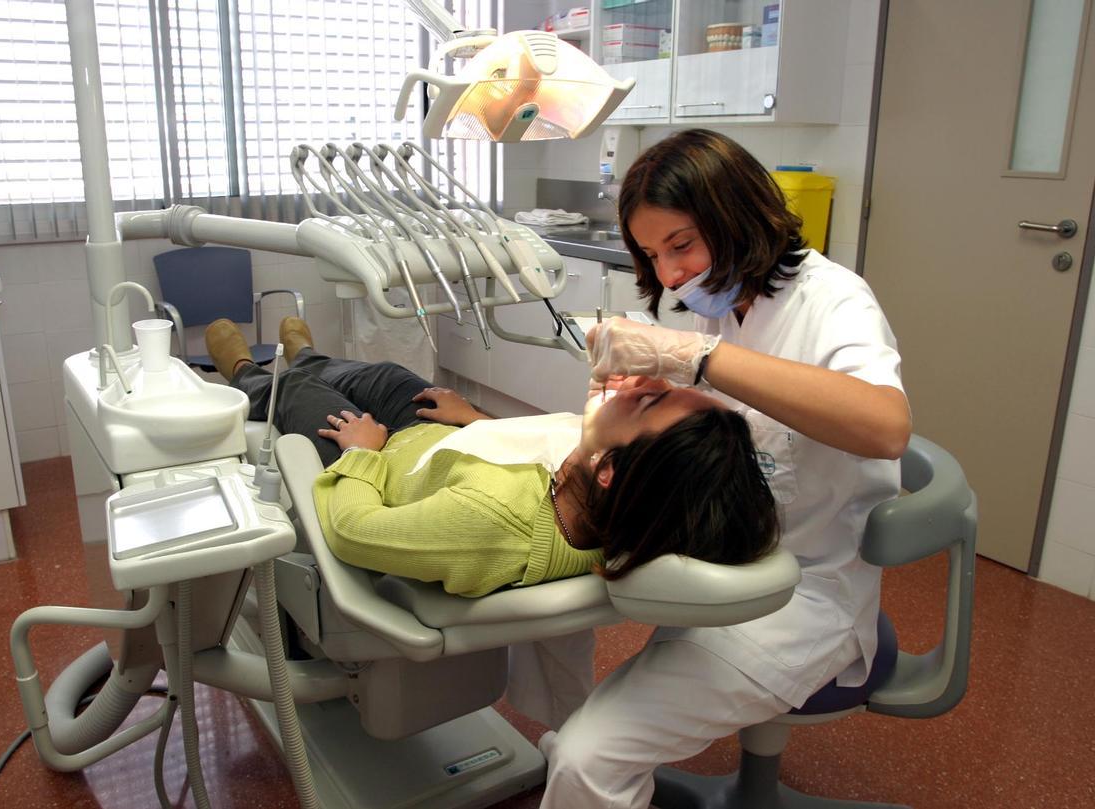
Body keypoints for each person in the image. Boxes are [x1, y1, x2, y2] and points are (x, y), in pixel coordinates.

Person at [531, 129, 911, 807]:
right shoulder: (735, 304)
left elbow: (885, 428)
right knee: (547, 623)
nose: (671, 274)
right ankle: (578, 751)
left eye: (681, 244)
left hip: (806, 594)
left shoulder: (834, 301)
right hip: (726, 561)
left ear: (740, 213)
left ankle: (587, 766)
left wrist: (693, 356)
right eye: (653, 254)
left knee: (591, 756)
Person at [203, 315, 779, 599]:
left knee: (301, 397)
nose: (629, 384)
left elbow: (354, 529)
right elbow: (535, 454)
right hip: (436, 438)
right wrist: (478, 421)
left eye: (645, 399)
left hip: (386, 455)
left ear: (607, 467)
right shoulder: (616, 499)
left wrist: (362, 455)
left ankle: (251, 372)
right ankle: (309, 354)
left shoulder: (489, 523)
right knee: (387, 376)